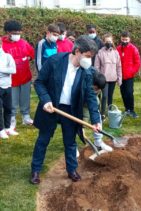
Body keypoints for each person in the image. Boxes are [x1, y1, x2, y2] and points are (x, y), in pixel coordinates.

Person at [30, 36, 101, 185]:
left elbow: (90, 96)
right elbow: (39, 82)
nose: (89, 60)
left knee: (70, 142)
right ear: (77, 51)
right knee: (43, 140)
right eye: (88, 56)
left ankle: (72, 170)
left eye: (91, 57)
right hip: (51, 106)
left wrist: (96, 120)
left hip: (70, 110)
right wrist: (46, 100)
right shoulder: (55, 61)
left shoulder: (86, 71)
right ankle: (35, 170)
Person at [2, 20, 35, 128]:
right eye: (15, 33)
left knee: (25, 98)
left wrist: (28, 58)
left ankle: (26, 116)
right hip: (11, 79)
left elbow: (31, 53)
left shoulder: (23, 42)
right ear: (8, 32)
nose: (17, 35)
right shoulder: (2, 45)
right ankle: (11, 118)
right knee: (12, 99)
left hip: (25, 76)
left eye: (19, 33)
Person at [82, 68, 112, 152]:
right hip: (80, 104)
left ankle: (98, 142)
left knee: (97, 120)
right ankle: (72, 148)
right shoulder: (84, 81)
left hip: (91, 104)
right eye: (95, 89)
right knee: (78, 124)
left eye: (98, 89)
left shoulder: (99, 81)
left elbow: (98, 98)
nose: (97, 91)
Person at [95, 33, 122, 119]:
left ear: (112, 41)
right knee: (105, 96)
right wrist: (98, 79)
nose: (108, 43)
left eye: (110, 41)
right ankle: (102, 113)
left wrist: (119, 78)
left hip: (113, 79)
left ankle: (110, 111)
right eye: (106, 41)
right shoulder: (100, 52)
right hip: (104, 79)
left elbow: (118, 66)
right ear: (103, 42)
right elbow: (96, 67)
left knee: (110, 96)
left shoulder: (115, 52)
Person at [117, 31, 141, 118]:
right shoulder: (118, 49)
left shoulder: (133, 49)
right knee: (123, 93)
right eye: (123, 39)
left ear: (129, 39)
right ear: (121, 39)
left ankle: (132, 110)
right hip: (120, 76)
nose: (124, 41)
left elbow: (138, 63)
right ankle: (126, 109)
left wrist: (132, 72)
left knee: (129, 93)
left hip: (129, 76)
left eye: (126, 39)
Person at [0, 37, 18, 139]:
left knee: (8, 107)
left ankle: (8, 128)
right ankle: (1, 130)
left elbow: (13, 70)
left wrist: (1, 69)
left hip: (7, 86)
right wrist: (6, 70)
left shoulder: (7, 57)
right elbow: (9, 70)